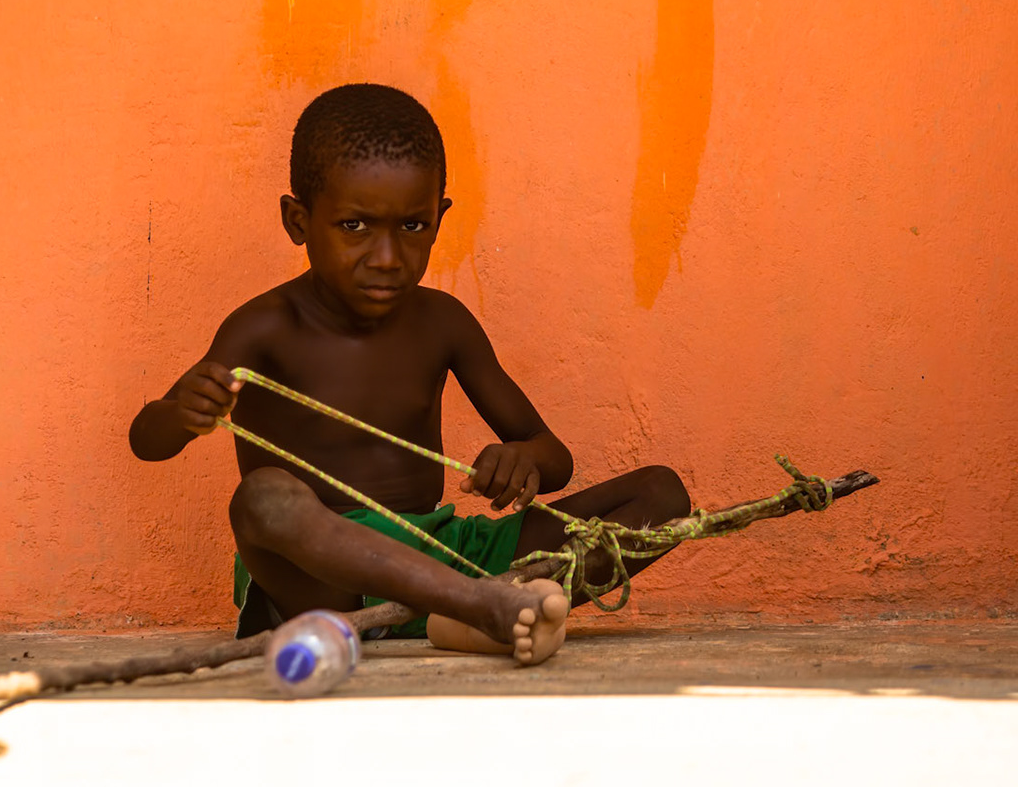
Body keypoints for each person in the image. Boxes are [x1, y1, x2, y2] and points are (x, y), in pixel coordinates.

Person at [127, 84, 692, 665]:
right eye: (355, 227)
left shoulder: (444, 323)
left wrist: (521, 459)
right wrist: (179, 414)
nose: (389, 257)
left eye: (414, 228)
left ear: (439, 217)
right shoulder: (264, 327)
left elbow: (555, 458)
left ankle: (469, 614)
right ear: (298, 221)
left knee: (661, 494)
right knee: (262, 500)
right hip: (325, 583)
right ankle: (488, 607)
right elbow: (146, 442)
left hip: (442, 550)